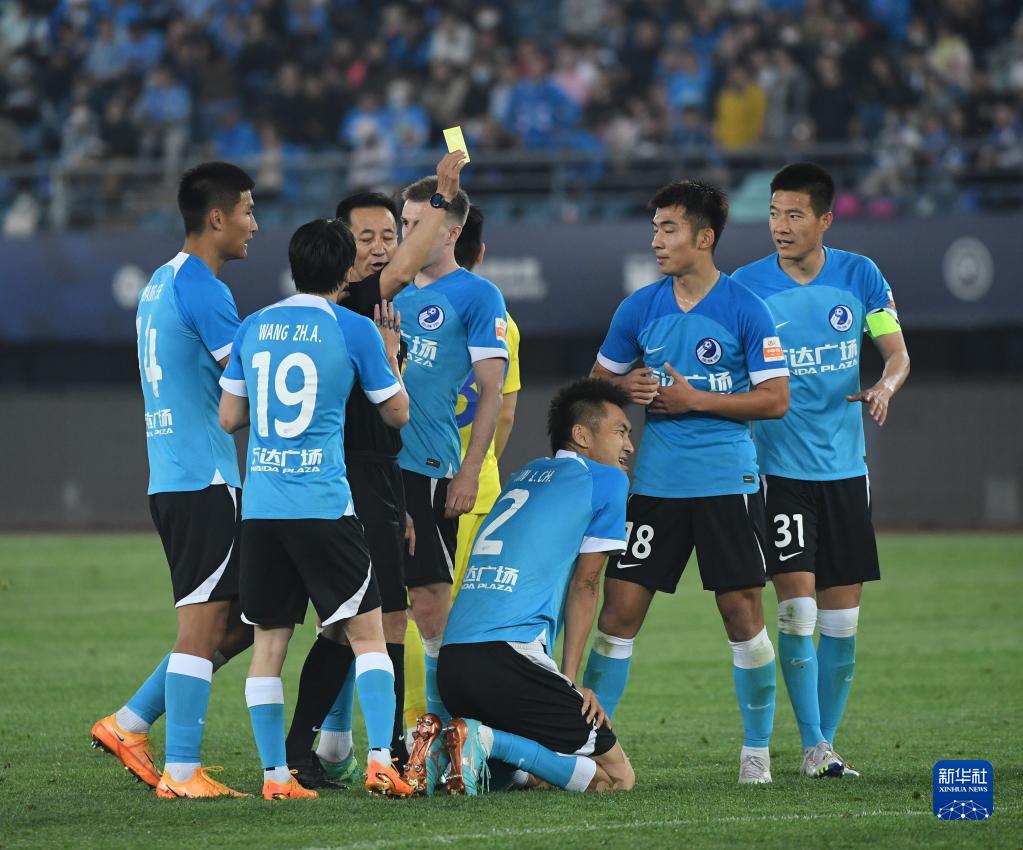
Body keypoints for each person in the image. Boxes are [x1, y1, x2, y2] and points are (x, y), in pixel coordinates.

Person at [583, 179, 791, 784]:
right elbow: (595, 385)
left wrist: (695, 398)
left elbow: (776, 399)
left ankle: (756, 752)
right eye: (654, 228)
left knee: (740, 612)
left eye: (669, 228)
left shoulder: (746, 307)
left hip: (728, 482)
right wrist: (624, 388)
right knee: (618, 614)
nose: (657, 240)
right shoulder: (638, 307)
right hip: (655, 485)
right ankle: (589, 747)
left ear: (704, 238)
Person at [278, 152, 467, 789]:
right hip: (353, 475)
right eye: (368, 237)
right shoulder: (354, 301)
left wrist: (401, 502)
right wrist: (441, 199)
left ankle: (307, 750)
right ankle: (390, 753)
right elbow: (409, 267)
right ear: (340, 246)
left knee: (347, 624)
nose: (384, 248)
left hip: (378, 475)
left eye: (391, 234)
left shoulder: (359, 309)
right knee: (380, 618)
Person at [218, 218, 413, 800]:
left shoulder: (254, 325)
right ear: (347, 269)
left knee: (268, 648)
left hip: (262, 509)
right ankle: (380, 761)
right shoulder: (355, 329)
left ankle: (275, 777)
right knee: (369, 637)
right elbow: (397, 413)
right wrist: (391, 357)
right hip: (324, 505)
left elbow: (229, 418)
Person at [731, 162, 910, 778]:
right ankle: (813, 743)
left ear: (825, 219)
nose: (780, 226)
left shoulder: (861, 276)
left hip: (846, 472)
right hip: (779, 471)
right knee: (796, 610)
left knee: (842, 619)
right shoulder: (747, 286)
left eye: (794, 214)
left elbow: (896, 353)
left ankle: (822, 748)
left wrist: (884, 385)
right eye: (774, 213)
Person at [91, 162, 257, 799]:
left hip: (176, 474)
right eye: (246, 211)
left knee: (245, 620)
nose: (253, 224)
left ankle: (129, 722)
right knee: (206, 626)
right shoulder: (206, 290)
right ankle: (183, 772)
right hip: (202, 478)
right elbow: (246, 390)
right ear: (216, 217)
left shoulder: (160, 282)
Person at [427, 378, 636, 796]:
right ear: (581, 435)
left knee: (526, 776)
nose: (629, 445)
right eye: (620, 432)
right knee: (617, 779)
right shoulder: (607, 481)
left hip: (454, 666)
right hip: (511, 662)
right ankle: (487, 741)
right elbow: (586, 583)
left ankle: (462, 751)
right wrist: (570, 682)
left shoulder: (523, 474)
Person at [391, 176, 508, 738]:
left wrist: (469, 471)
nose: (406, 234)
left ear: (452, 232)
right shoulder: (385, 289)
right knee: (357, 610)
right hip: (370, 468)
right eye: (404, 224)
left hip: (429, 467)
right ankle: (349, 744)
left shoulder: (478, 296)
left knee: (429, 604)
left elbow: (493, 391)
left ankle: (441, 732)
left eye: (419, 224)